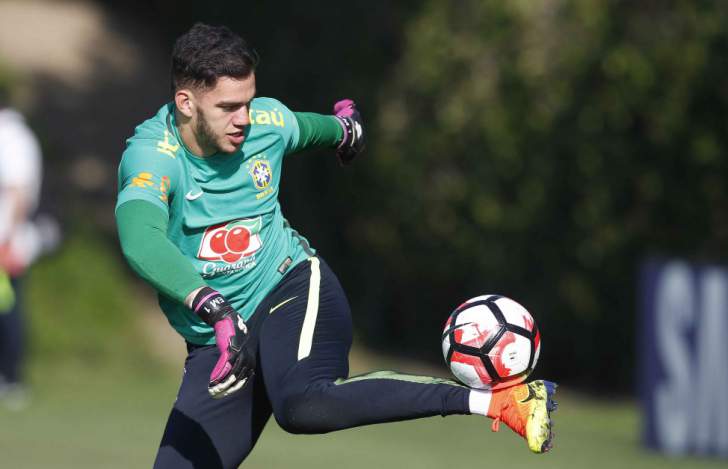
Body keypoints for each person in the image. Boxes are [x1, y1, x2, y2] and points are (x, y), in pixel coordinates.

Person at [115, 23, 557, 468]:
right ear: (186, 103)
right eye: (228, 107)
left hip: (291, 287)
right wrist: (215, 309)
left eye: (248, 102)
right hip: (220, 336)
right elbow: (140, 238)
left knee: (303, 406)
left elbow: (316, 128)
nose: (244, 118)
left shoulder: (265, 122)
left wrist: (348, 130)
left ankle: (498, 401)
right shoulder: (153, 155)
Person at [0, 84, 42, 410]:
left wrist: (8, 240)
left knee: (7, 310)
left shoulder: (12, 136)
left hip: (6, 240)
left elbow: (18, 191)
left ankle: (11, 378)